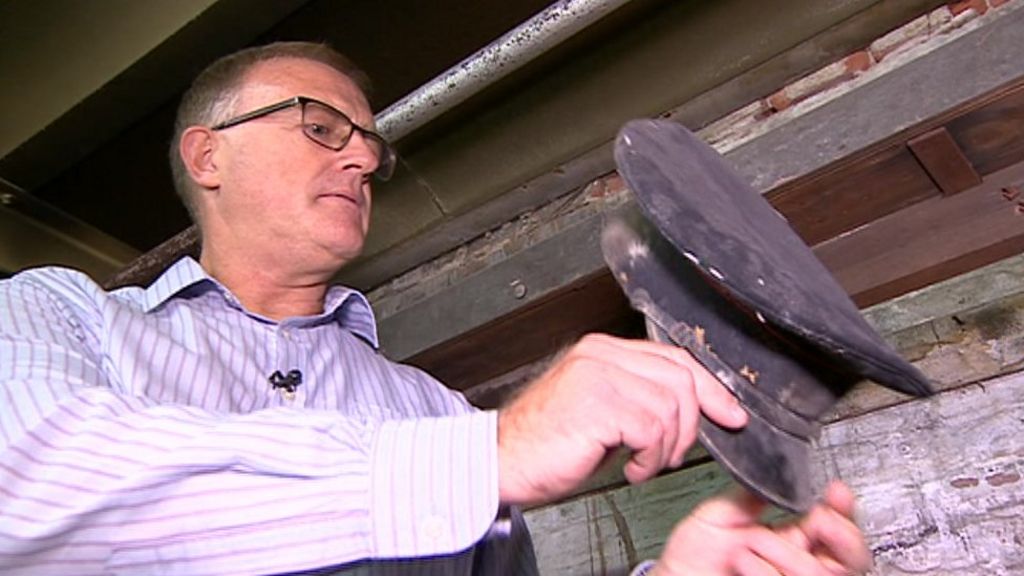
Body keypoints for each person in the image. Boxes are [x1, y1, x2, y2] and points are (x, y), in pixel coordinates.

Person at [0, 42, 871, 575]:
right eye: (319, 125)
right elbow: (27, 485)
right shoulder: (63, 313)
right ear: (207, 155)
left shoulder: (427, 409)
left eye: (369, 146)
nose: (361, 161)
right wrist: (492, 449)